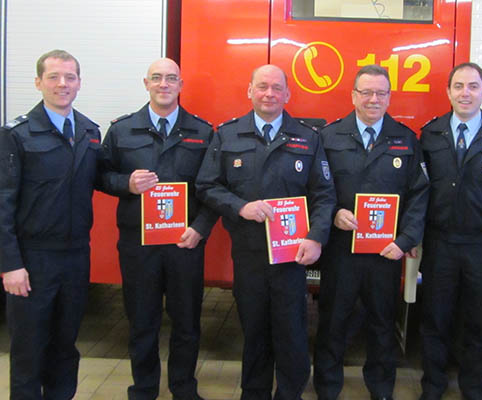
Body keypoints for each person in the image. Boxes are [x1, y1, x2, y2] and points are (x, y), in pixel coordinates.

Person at [195, 64, 336, 400]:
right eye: (262, 87)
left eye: (276, 88)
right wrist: (239, 206)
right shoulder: (227, 135)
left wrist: (316, 236)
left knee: (292, 333)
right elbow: (206, 186)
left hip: (291, 258)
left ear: (288, 94)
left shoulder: (308, 137)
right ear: (250, 91)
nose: (269, 94)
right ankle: (254, 393)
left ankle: (290, 393)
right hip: (249, 255)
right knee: (254, 332)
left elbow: (324, 194)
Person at [101, 58, 215, 400]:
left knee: (186, 322)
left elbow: (214, 188)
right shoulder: (122, 130)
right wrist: (126, 183)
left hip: (185, 243)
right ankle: (144, 388)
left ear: (181, 85)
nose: (163, 84)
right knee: (142, 320)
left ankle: (183, 387)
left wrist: (200, 228)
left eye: (171, 79)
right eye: (157, 78)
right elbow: (99, 176)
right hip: (139, 244)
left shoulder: (202, 131)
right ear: (146, 83)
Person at [312, 65, 429, 400]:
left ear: (390, 97)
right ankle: (327, 388)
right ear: (353, 96)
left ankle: (381, 389)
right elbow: (316, 188)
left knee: (382, 326)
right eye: (366, 92)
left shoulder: (406, 139)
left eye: (381, 93)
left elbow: (420, 195)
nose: (373, 99)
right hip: (341, 250)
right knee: (333, 322)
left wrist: (404, 241)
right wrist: (334, 214)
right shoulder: (329, 137)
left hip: (385, 253)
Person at [0, 49, 102, 399]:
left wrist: (131, 183)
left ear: (79, 83)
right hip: (33, 259)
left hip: (75, 257)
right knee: (29, 350)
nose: (63, 84)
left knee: (65, 346)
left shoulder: (89, 130)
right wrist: (10, 264)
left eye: (70, 77)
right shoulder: (16, 134)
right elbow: (3, 203)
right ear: (38, 82)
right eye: (54, 77)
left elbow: (100, 178)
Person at [419, 62, 482, 400]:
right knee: (434, 321)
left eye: (473, 86)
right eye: (459, 86)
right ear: (448, 92)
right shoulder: (430, 134)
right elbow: (417, 192)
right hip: (439, 244)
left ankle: (473, 391)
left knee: (477, 326)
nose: (465, 93)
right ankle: (432, 388)